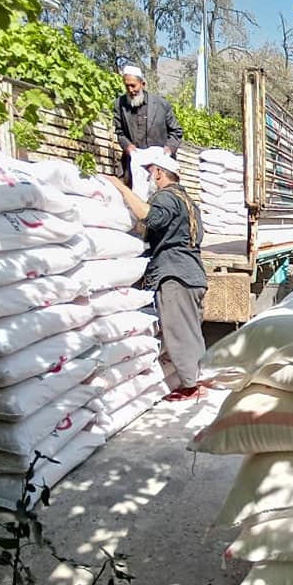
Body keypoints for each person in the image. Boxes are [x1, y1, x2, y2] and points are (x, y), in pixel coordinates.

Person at [106, 150, 208, 402]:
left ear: (160, 173)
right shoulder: (188, 201)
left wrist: (120, 187)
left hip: (175, 275)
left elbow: (150, 217)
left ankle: (192, 385)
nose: (149, 177)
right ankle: (196, 379)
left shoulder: (165, 197)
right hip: (192, 274)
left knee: (179, 333)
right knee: (190, 331)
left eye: (150, 172)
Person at [113, 65, 184, 190]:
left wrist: (168, 149)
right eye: (127, 86)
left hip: (159, 166)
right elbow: (119, 132)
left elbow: (176, 131)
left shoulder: (161, 104)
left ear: (143, 84)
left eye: (133, 85)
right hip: (134, 165)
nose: (130, 90)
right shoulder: (120, 104)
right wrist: (128, 146)